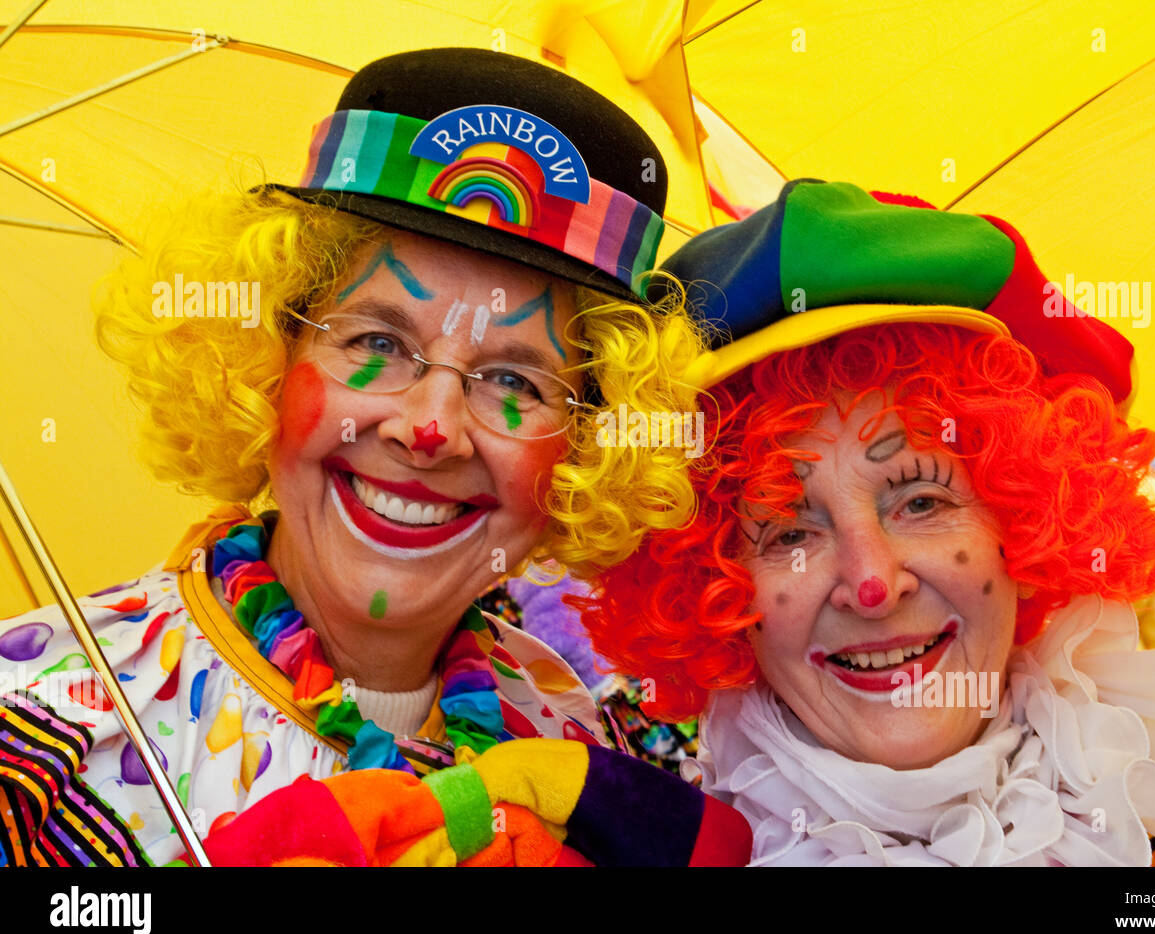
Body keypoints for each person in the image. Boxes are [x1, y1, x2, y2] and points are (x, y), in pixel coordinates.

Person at [0, 48, 702, 867]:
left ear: (587, 445)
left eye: (512, 379)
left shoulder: (579, 740)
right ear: (264, 356)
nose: (429, 426)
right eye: (378, 340)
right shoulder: (39, 741)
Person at [580, 180, 1155, 866]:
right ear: (714, 590)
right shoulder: (638, 843)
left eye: (919, 501)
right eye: (789, 531)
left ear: (1023, 525)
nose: (871, 582)